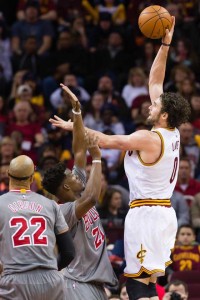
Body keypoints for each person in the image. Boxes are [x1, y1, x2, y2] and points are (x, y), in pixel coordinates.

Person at [49, 17, 191, 300]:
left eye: (155, 105)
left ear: (163, 114)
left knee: (137, 286)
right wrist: (165, 44)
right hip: (162, 215)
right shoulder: (171, 131)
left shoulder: (148, 138)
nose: (150, 104)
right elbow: (155, 80)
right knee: (149, 285)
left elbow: (105, 140)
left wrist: (73, 124)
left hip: (146, 214)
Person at [42, 83, 118, 300]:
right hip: (76, 283)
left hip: (93, 282)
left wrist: (77, 113)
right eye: (73, 176)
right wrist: (96, 159)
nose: (77, 175)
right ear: (65, 186)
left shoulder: (76, 191)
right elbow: (93, 198)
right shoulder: (64, 211)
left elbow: (78, 149)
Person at [0, 154, 75, 299]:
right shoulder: (51, 205)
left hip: (15, 280)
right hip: (51, 282)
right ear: (32, 178)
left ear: (8, 174)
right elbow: (69, 252)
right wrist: (49, 270)